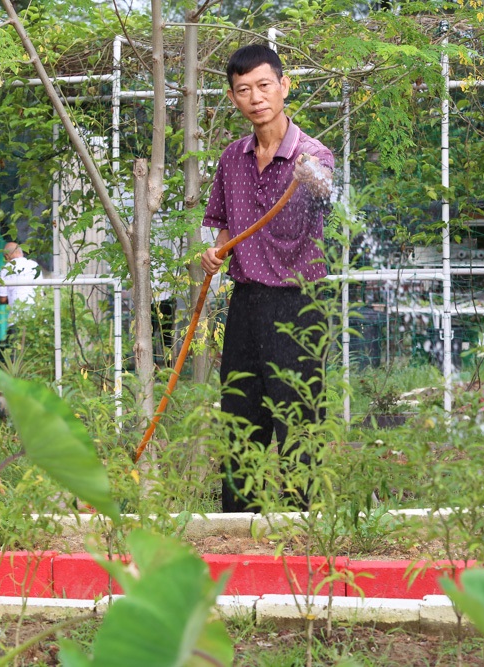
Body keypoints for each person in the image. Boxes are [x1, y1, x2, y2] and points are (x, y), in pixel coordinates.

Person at [201, 44, 334, 513]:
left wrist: (312, 177)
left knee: (298, 421)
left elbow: (326, 192)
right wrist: (213, 253)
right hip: (245, 303)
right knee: (239, 417)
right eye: (243, 90)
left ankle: (303, 529)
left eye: (263, 85)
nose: (256, 97)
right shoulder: (231, 159)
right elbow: (221, 226)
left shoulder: (313, 154)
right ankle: (238, 530)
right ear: (234, 99)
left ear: (284, 86)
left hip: (299, 304)